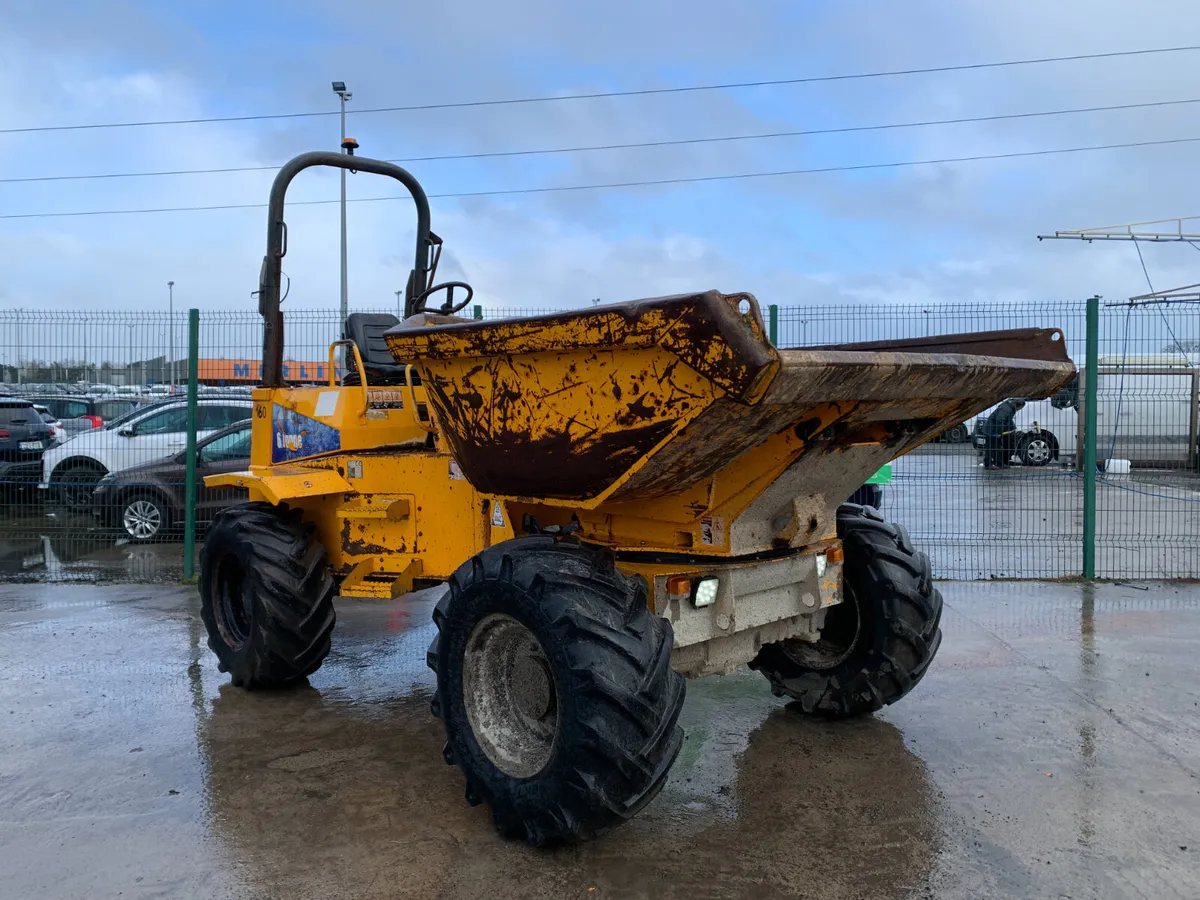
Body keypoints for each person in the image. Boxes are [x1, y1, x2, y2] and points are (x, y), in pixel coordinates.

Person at [983, 398, 1025, 468]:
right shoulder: (1006, 409)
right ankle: (988, 464)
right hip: (991, 430)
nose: (1020, 410)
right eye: (1021, 408)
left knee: (998, 447)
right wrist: (999, 433)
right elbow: (1000, 421)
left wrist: (1013, 428)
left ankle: (999, 463)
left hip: (995, 429)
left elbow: (1009, 420)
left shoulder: (1011, 408)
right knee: (991, 447)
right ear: (1019, 406)